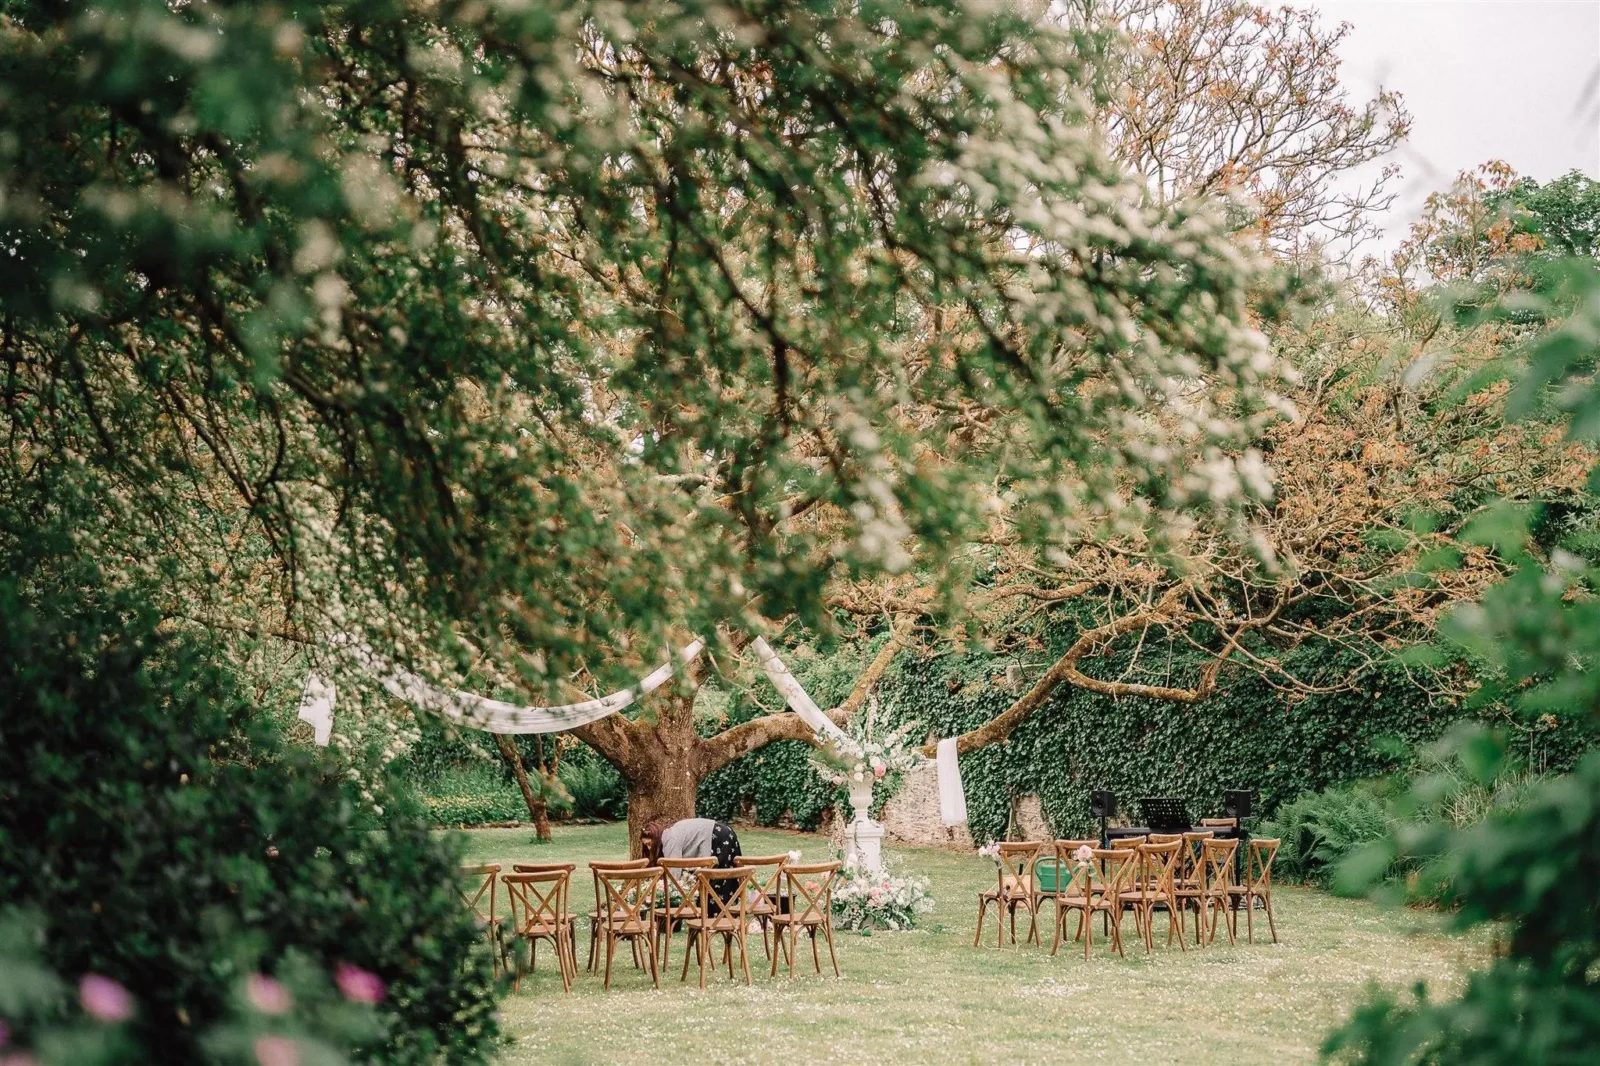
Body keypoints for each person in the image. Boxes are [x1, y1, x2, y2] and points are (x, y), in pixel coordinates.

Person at [640, 816, 742, 869]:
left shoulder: (670, 840)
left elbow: (674, 871)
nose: (649, 848)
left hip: (718, 837)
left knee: (719, 878)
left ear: (656, 839)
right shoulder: (671, 834)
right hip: (723, 832)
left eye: (649, 844)